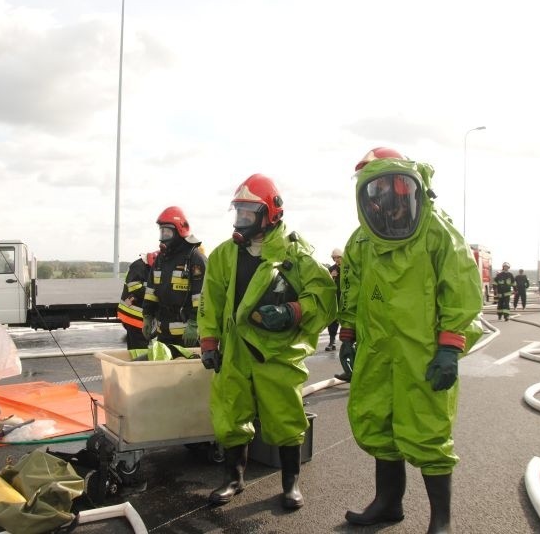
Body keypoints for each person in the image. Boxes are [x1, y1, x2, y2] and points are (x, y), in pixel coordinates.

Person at [337, 147, 482, 533]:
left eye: (386, 183)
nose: (380, 194)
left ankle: (442, 521)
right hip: (377, 350)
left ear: (404, 185)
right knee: (379, 424)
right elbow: (350, 291)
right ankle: (388, 503)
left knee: (429, 430)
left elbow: (462, 293)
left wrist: (450, 346)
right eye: (371, 186)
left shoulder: (437, 232)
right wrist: (348, 335)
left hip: (423, 352)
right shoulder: (361, 241)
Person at [197, 173, 336, 511]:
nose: (241, 220)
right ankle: (234, 478)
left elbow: (325, 297)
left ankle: (290, 484)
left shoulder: (294, 255)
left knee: (286, 417)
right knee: (230, 415)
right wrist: (209, 342)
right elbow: (211, 301)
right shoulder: (224, 255)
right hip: (234, 352)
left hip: (278, 353)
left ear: (270, 214)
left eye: (248, 213)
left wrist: (293, 311)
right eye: (239, 212)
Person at [142, 206, 207, 356]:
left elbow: (203, 295)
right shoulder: (160, 259)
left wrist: (194, 323)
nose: (163, 236)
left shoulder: (194, 258)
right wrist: (147, 315)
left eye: (167, 232)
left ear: (179, 232)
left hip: (187, 334)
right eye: (162, 231)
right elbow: (151, 291)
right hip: (163, 331)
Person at [117, 251, 158, 350]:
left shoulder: (150, 267)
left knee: (134, 348)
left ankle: (134, 363)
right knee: (140, 348)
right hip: (135, 315)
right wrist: (157, 293)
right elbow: (134, 287)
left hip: (138, 315)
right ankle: (138, 364)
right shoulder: (138, 266)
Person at [325, 248, 342, 353]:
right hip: (334, 298)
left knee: (347, 320)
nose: (336, 259)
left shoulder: (348, 267)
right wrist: (331, 277)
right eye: (334, 258)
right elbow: (325, 284)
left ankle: (349, 342)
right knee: (332, 320)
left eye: (338, 257)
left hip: (346, 298)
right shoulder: (331, 269)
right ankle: (332, 342)